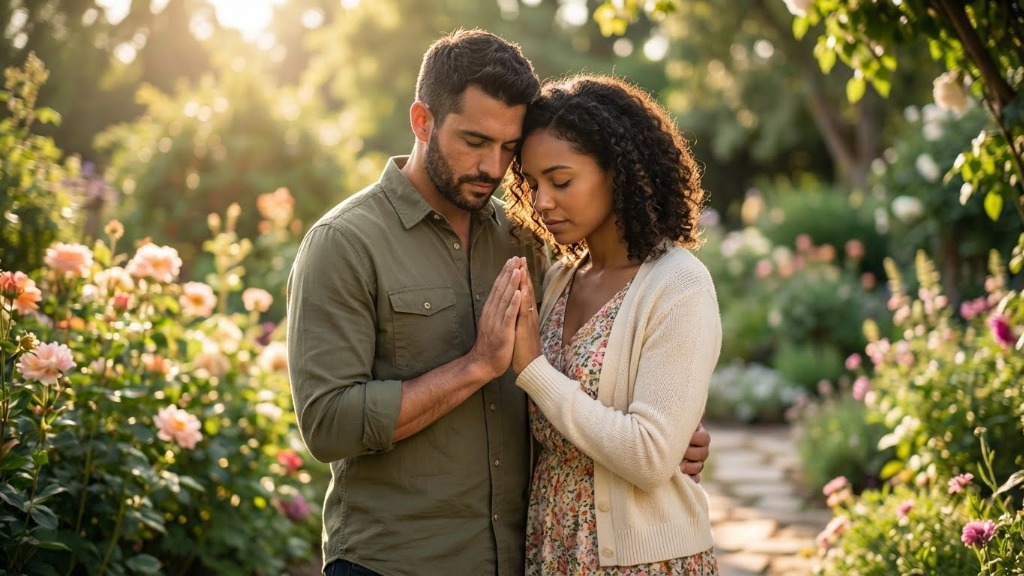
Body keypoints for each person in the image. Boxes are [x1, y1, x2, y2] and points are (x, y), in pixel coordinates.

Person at [286, 30, 711, 576]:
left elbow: (588, 379)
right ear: (422, 121)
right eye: (475, 141)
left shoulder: (523, 242)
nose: (493, 166)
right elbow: (327, 425)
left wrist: (668, 432)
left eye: (508, 148)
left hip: (520, 558)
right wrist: (475, 367)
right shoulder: (344, 244)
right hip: (395, 563)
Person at [495, 73, 722, 574]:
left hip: (643, 559)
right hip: (554, 550)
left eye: (561, 180)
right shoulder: (556, 281)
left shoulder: (678, 284)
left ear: (618, 172)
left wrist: (534, 368)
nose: (542, 202)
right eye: (532, 184)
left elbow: (649, 458)